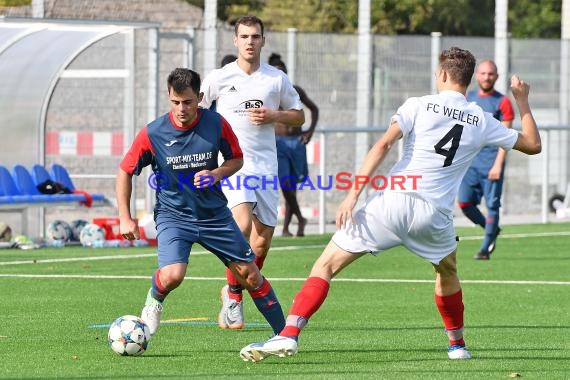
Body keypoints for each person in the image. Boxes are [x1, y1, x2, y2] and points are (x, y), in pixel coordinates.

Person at [239, 47, 541, 362]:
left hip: (392, 201)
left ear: (441, 75)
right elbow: (533, 145)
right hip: (433, 214)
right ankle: (457, 346)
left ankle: (289, 334)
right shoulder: (481, 119)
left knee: (326, 265)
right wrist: (521, 99)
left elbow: (384, 144)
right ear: (469, 79)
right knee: (447, 270)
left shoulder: (419, 105)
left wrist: (353, 194)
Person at [116, 68, 286, 338]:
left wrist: (217, 174)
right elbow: (125, 169)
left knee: (250, 275)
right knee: (172, 275)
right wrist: (125, 217)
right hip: (174, 216)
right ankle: (153, 301)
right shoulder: (154, 132)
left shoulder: (216, 124)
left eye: (188, 102)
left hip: (214, 216)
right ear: (168, 98)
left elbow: (236, 159)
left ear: (200, 97)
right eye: (175, 102)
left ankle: (285, 336)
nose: (181, 108)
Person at [199, 16, 305, 330]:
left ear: (262, 40)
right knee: (241, 225)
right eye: (244, 36)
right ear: (235, 41)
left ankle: (234, 291)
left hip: (266, 167)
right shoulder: (220, 77)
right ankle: (234, 295)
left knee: (261, 243)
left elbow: (298, 115)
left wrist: (275, 114)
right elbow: (197, 113)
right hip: (233, 164)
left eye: (255, 36)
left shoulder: (276, 79)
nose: (249, 42)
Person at [458, 59, 515, 260]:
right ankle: (491, 229)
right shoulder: (468, 99)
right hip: (470, 164)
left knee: (492, 205)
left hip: (492, 163)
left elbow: (507, 136)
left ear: (496, 77)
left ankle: (485, 249)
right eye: (483, 73)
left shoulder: (503, 102)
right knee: (464, 203)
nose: (486, 77)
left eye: (490, 74)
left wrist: (498, 164)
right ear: (476, 75)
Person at [268, 53, 319, 237]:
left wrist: (310, 131)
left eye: (282, 71)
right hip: (278, 143)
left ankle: (287, 227)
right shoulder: (266, 91)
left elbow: (314, 109)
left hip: (296, 142)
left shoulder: (295, 90)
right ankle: (300, 218)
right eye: (276, 70)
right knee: (285, 183)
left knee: (292, 186)